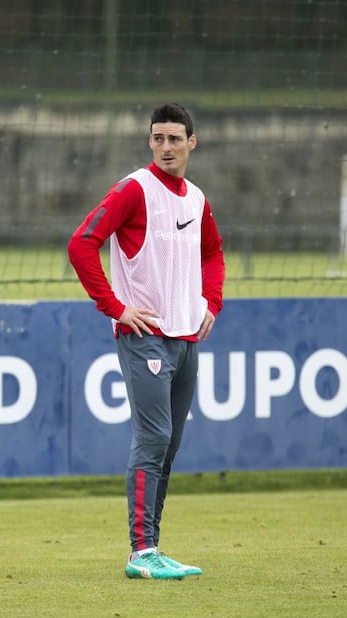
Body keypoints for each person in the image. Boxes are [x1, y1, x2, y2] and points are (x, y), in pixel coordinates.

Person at [68, 103, 225, 580]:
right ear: (150, 142)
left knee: (170, 444)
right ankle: (140, 552)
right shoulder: (134, 189)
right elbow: (81, 243)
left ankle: (153, 546)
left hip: (185, 337)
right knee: (152, 436)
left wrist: (211, 303)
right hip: (145, 337)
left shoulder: (195, 199)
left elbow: (213, 252)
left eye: (175, 139)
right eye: (158, 138)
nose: (166, 147)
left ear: (191, 143)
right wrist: (116, 308)